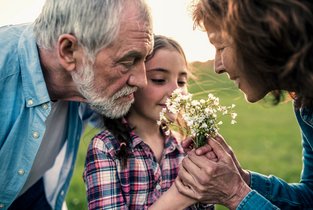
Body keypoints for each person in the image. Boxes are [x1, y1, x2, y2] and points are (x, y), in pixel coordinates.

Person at [0, 0, 153, 209]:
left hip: (34, 193)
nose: (141, 80)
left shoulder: (87, 79)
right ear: (69, 51)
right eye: (128, 61)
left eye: (144, 59)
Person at [175, 0, 313, 209]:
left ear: (260, 35)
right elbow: (310, 197)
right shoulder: (305, 102)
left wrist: (235, 194)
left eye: (221, 46)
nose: (217, 66)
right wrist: (243, 179)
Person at [83, 35, 214, 210]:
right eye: (159, 80)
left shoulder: (184, 147)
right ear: (132, 82)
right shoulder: (105, 148)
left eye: (181, 82)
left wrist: (207, 189)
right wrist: (182, 195)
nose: (176, 91)